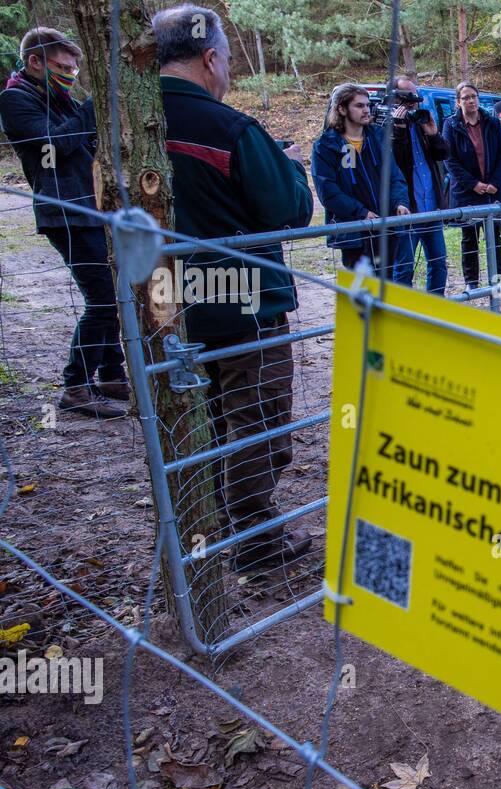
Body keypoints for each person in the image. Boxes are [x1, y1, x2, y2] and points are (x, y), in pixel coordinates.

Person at [153, 4, 315, 573]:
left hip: (168, 303)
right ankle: (253, 540)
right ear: (210, 57)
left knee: (208, 416)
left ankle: (209, 526)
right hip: (244, 304)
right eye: (226, 62)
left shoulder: (125, 122)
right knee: (258, 417)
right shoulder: (231, 128)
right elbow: (290, 211)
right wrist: (291, 166)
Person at [0, 28, 126, 418]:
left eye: (73, 68)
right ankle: (75, 385)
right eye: (61, 66)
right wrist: (93, 107)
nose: (69, 74)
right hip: (64, 213)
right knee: (103, 299)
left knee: (115, 296)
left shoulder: (59, 98)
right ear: (35, 61)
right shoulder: (15, 99)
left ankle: (111, 374)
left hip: (93, 208)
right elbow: (50, 147)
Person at [312, 82, 412, 276]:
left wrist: (400, 202)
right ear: (341, 108)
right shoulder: (325, 146)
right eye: (359, 105)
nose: (366, 110)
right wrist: (361, 212)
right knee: (363, 293)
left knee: (386, 288)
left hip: (386, 228)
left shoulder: (378, 136)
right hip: (354, 233)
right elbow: (328, 192)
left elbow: (394, 176)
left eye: (367, 105)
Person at [441, 82, 501, 292]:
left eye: (474, 96)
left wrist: (494, 183)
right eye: (466, 98)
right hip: (467, 192)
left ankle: (498, 282)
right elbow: (449, 160)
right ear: (458, 102)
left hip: (492, 190)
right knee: (469, 238)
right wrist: (474, 184)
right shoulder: (451, 125)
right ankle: (472, 283)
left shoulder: (491, 122)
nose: (471, 101)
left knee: (494, 237)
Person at [389, 75, 451, 295]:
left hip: (431, 207)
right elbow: (394, 163)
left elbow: (443, 154)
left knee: (438, 263)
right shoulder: (387, 126)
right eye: (408, 97)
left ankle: (433, 311)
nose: (414, 101)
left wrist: (433, 134)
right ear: (396, 99)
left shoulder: (422, 121)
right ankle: (403, 315)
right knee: (403, 268)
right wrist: (398, 129)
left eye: (416, 96)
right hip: (408, 210)